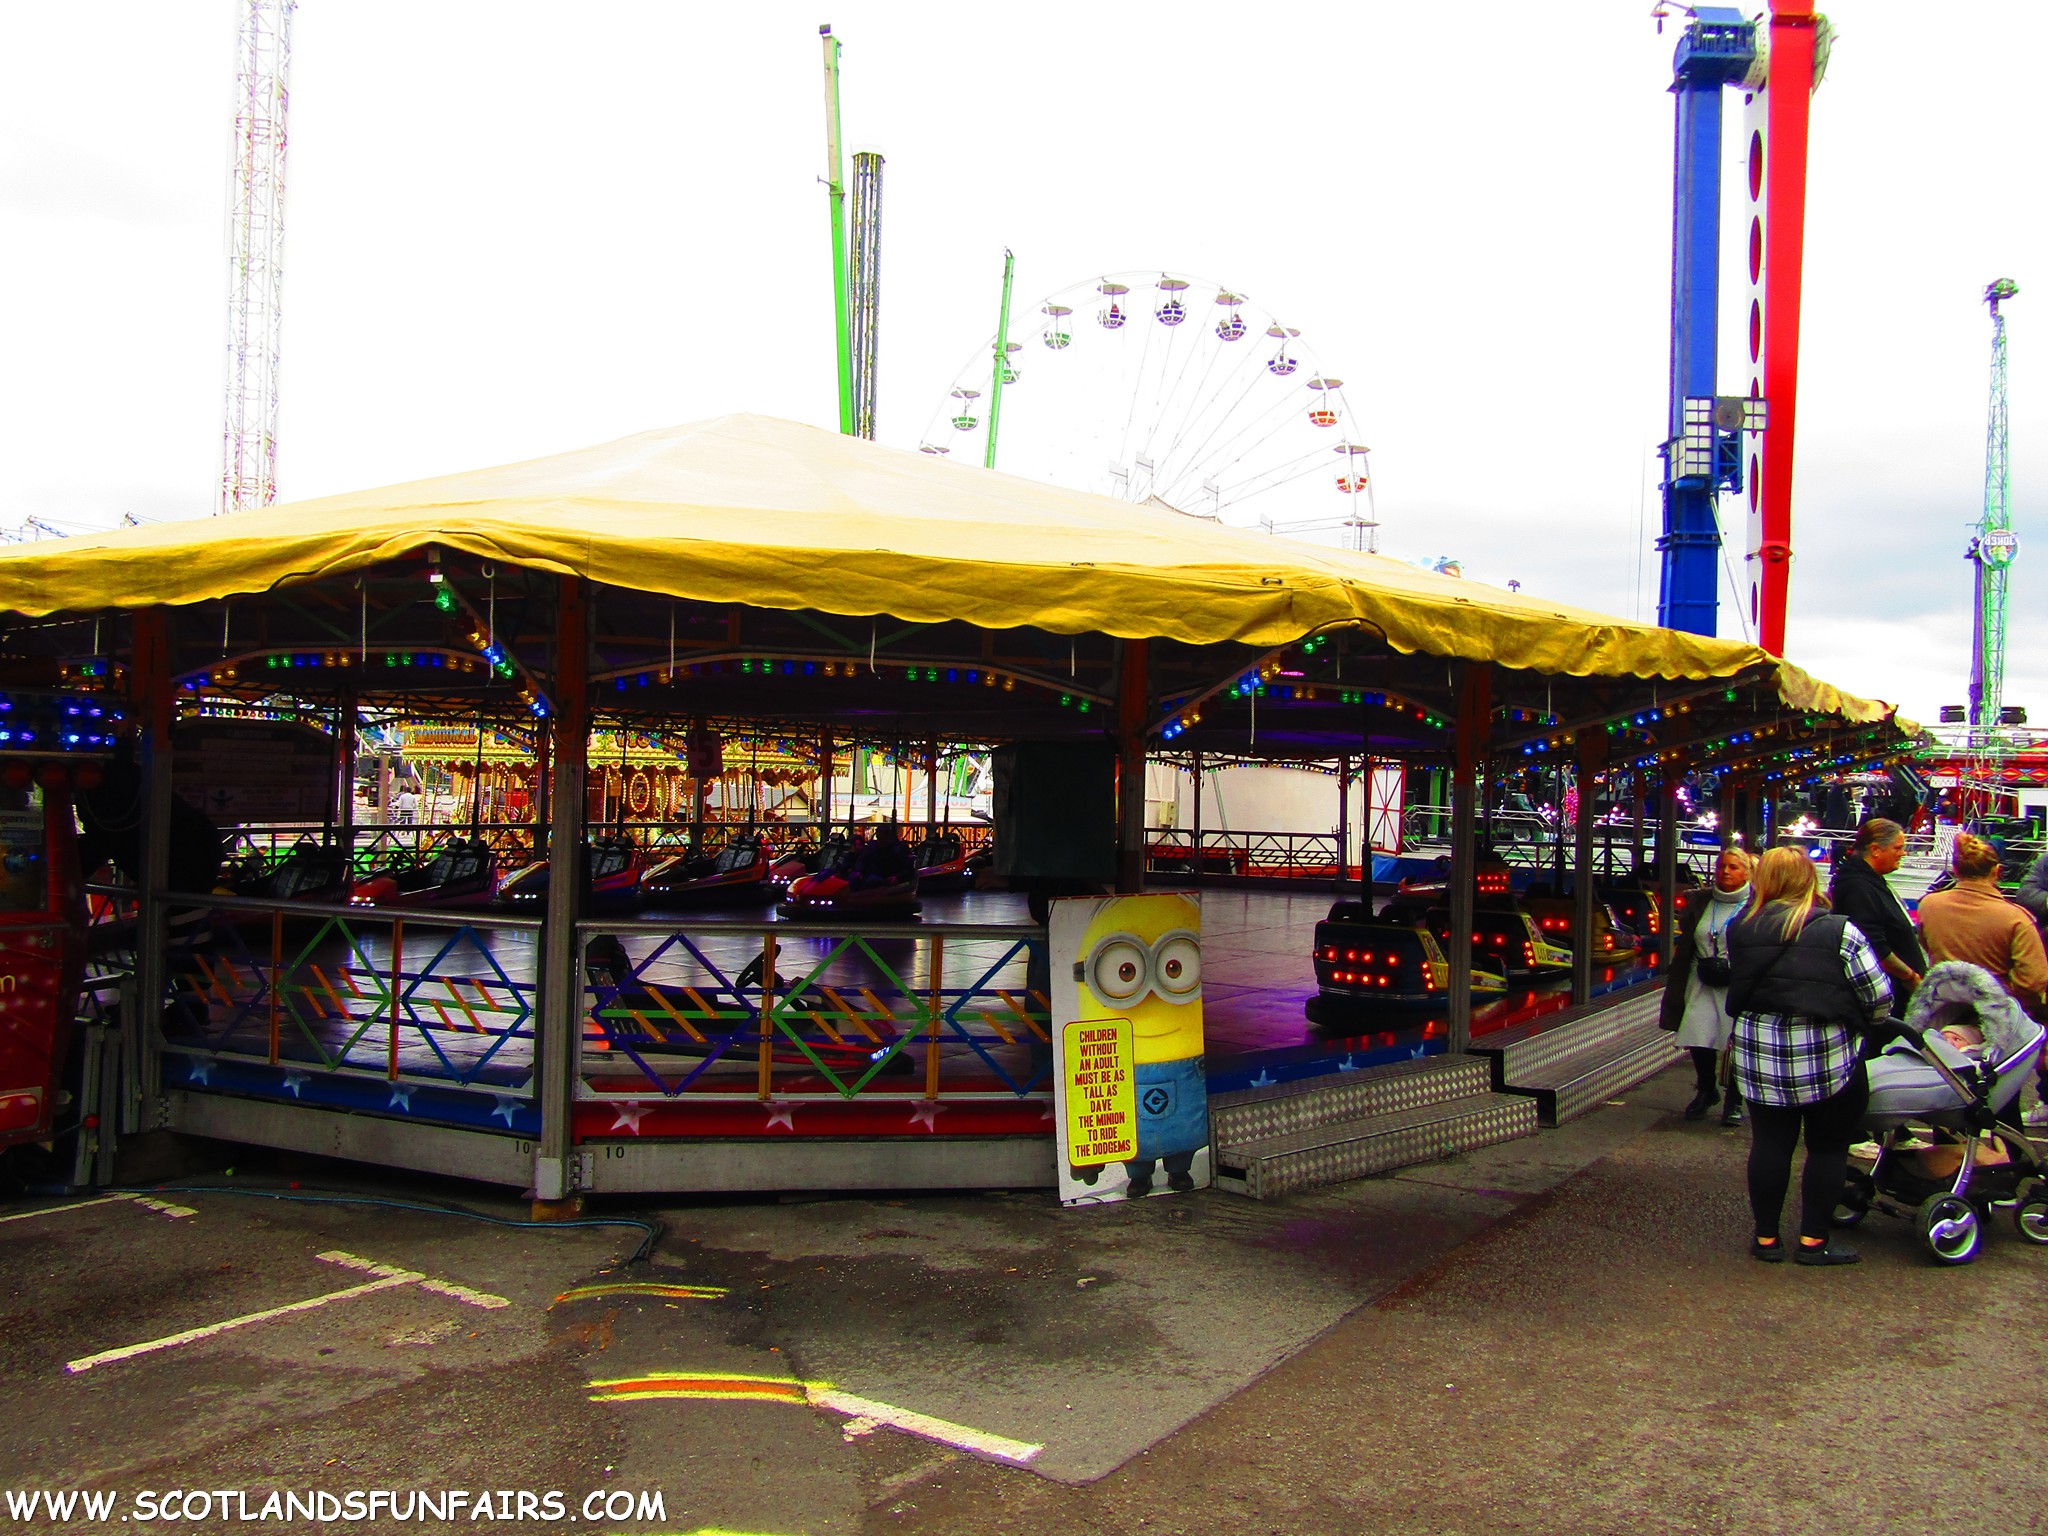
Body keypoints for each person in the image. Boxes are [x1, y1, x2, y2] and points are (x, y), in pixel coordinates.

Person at [1726, 846, 1893, 1267]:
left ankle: (1766, 1240)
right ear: (1809, 880)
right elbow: (1879, 996)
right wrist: (1865, 1022)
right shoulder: (1839, 930)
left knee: (1769, 1145)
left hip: (1760, 1051)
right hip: (1827, 1053)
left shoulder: (1739, 927)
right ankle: (1814, 1241)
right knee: (1827, 1148)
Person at [1658, 845, 1754, 1126]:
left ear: (1747, 872)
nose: (1725, 872)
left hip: (1737, 982)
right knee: (1699, 1035)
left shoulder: (1757, 904)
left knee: (1735, 1041)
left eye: (1733, 867)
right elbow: (1689, 937)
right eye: (1721, 866)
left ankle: (1735, 1098)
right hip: (1701, 978)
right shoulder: (1701, 901)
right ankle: (1706, 1088)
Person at [1916, 833, 2048, 1011]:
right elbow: (2033, 980)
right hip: (1998, 1014)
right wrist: (2003, 995)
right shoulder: (2015, 919)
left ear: (1955, 870)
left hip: (1942, 1008)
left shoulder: (1928, 905)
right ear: (1997, 871)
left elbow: (1927, 946)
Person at [1827, 817, 1926, 1014]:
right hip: (1886, 999)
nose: (1903, 853)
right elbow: (1874, 945)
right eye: (1897, 848)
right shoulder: (1857, 887)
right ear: (1875, 850)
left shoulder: (1869, 881)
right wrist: (1909, 977)